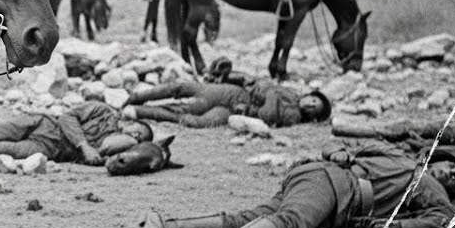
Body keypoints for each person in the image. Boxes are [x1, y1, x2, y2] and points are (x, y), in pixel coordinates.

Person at [134, 139, 455, 228]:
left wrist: (394, 227)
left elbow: (439, 219)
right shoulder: (402, 160)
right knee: (293, 223)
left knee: (250, 217)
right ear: (437, 159)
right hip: (335, 184)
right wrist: (337, 151)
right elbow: (337, 145)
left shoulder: (429, 186)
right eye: (450, 166)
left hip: (318, 180)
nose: (449, 174)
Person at [0, 101, 153, 171]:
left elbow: (113, 164)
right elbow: (68, 117)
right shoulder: (103, 110)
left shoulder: (115, 145)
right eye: (138, 130)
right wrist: (84, 145)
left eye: (139, 137)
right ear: (131, 120)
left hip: (49, 148)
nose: (135, 134)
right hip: (42, 122)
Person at [126, 78, 330, 128]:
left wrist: (270, 94)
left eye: (314, 109)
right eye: (313, 100)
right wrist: (268, 93)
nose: (310, 105)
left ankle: (139, 112)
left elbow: (267, 114)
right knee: (181, 88)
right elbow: (265, 88)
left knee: (193, 118)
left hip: (232, 111)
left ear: (312, 116)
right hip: (231, 93)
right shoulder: (291, 93)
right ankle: (134, 98)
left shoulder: (294, 116)